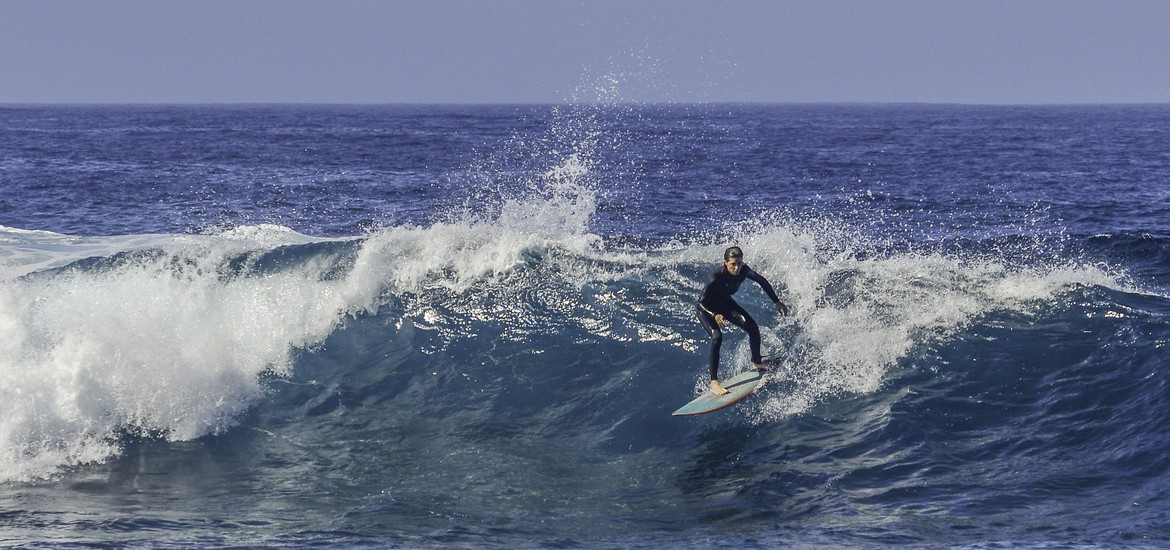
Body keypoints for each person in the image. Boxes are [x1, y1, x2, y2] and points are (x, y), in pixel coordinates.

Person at [697, 246, 789, 396]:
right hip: (707, 309)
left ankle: (757, 362)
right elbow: (700, 303)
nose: (737, 267)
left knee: (753, 328)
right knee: (717, 337)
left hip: (726, 303)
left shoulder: (744, 270)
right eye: (733, 264)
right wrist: (714, 314)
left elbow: (762, 281)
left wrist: (776, 301)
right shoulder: (716, 277)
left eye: (739, 263)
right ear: (725, 262)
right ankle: (714, 382)